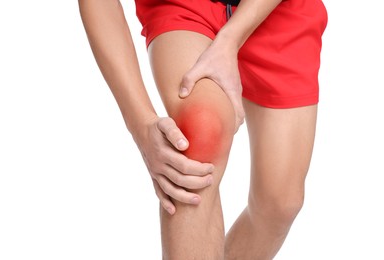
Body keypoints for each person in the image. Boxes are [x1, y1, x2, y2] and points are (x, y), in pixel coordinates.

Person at [78, 0, 327, 258]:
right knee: (201, 131)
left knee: (280, 204)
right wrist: (141, 125)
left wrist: (229, 40)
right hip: (185, 4)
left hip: (278, 9)